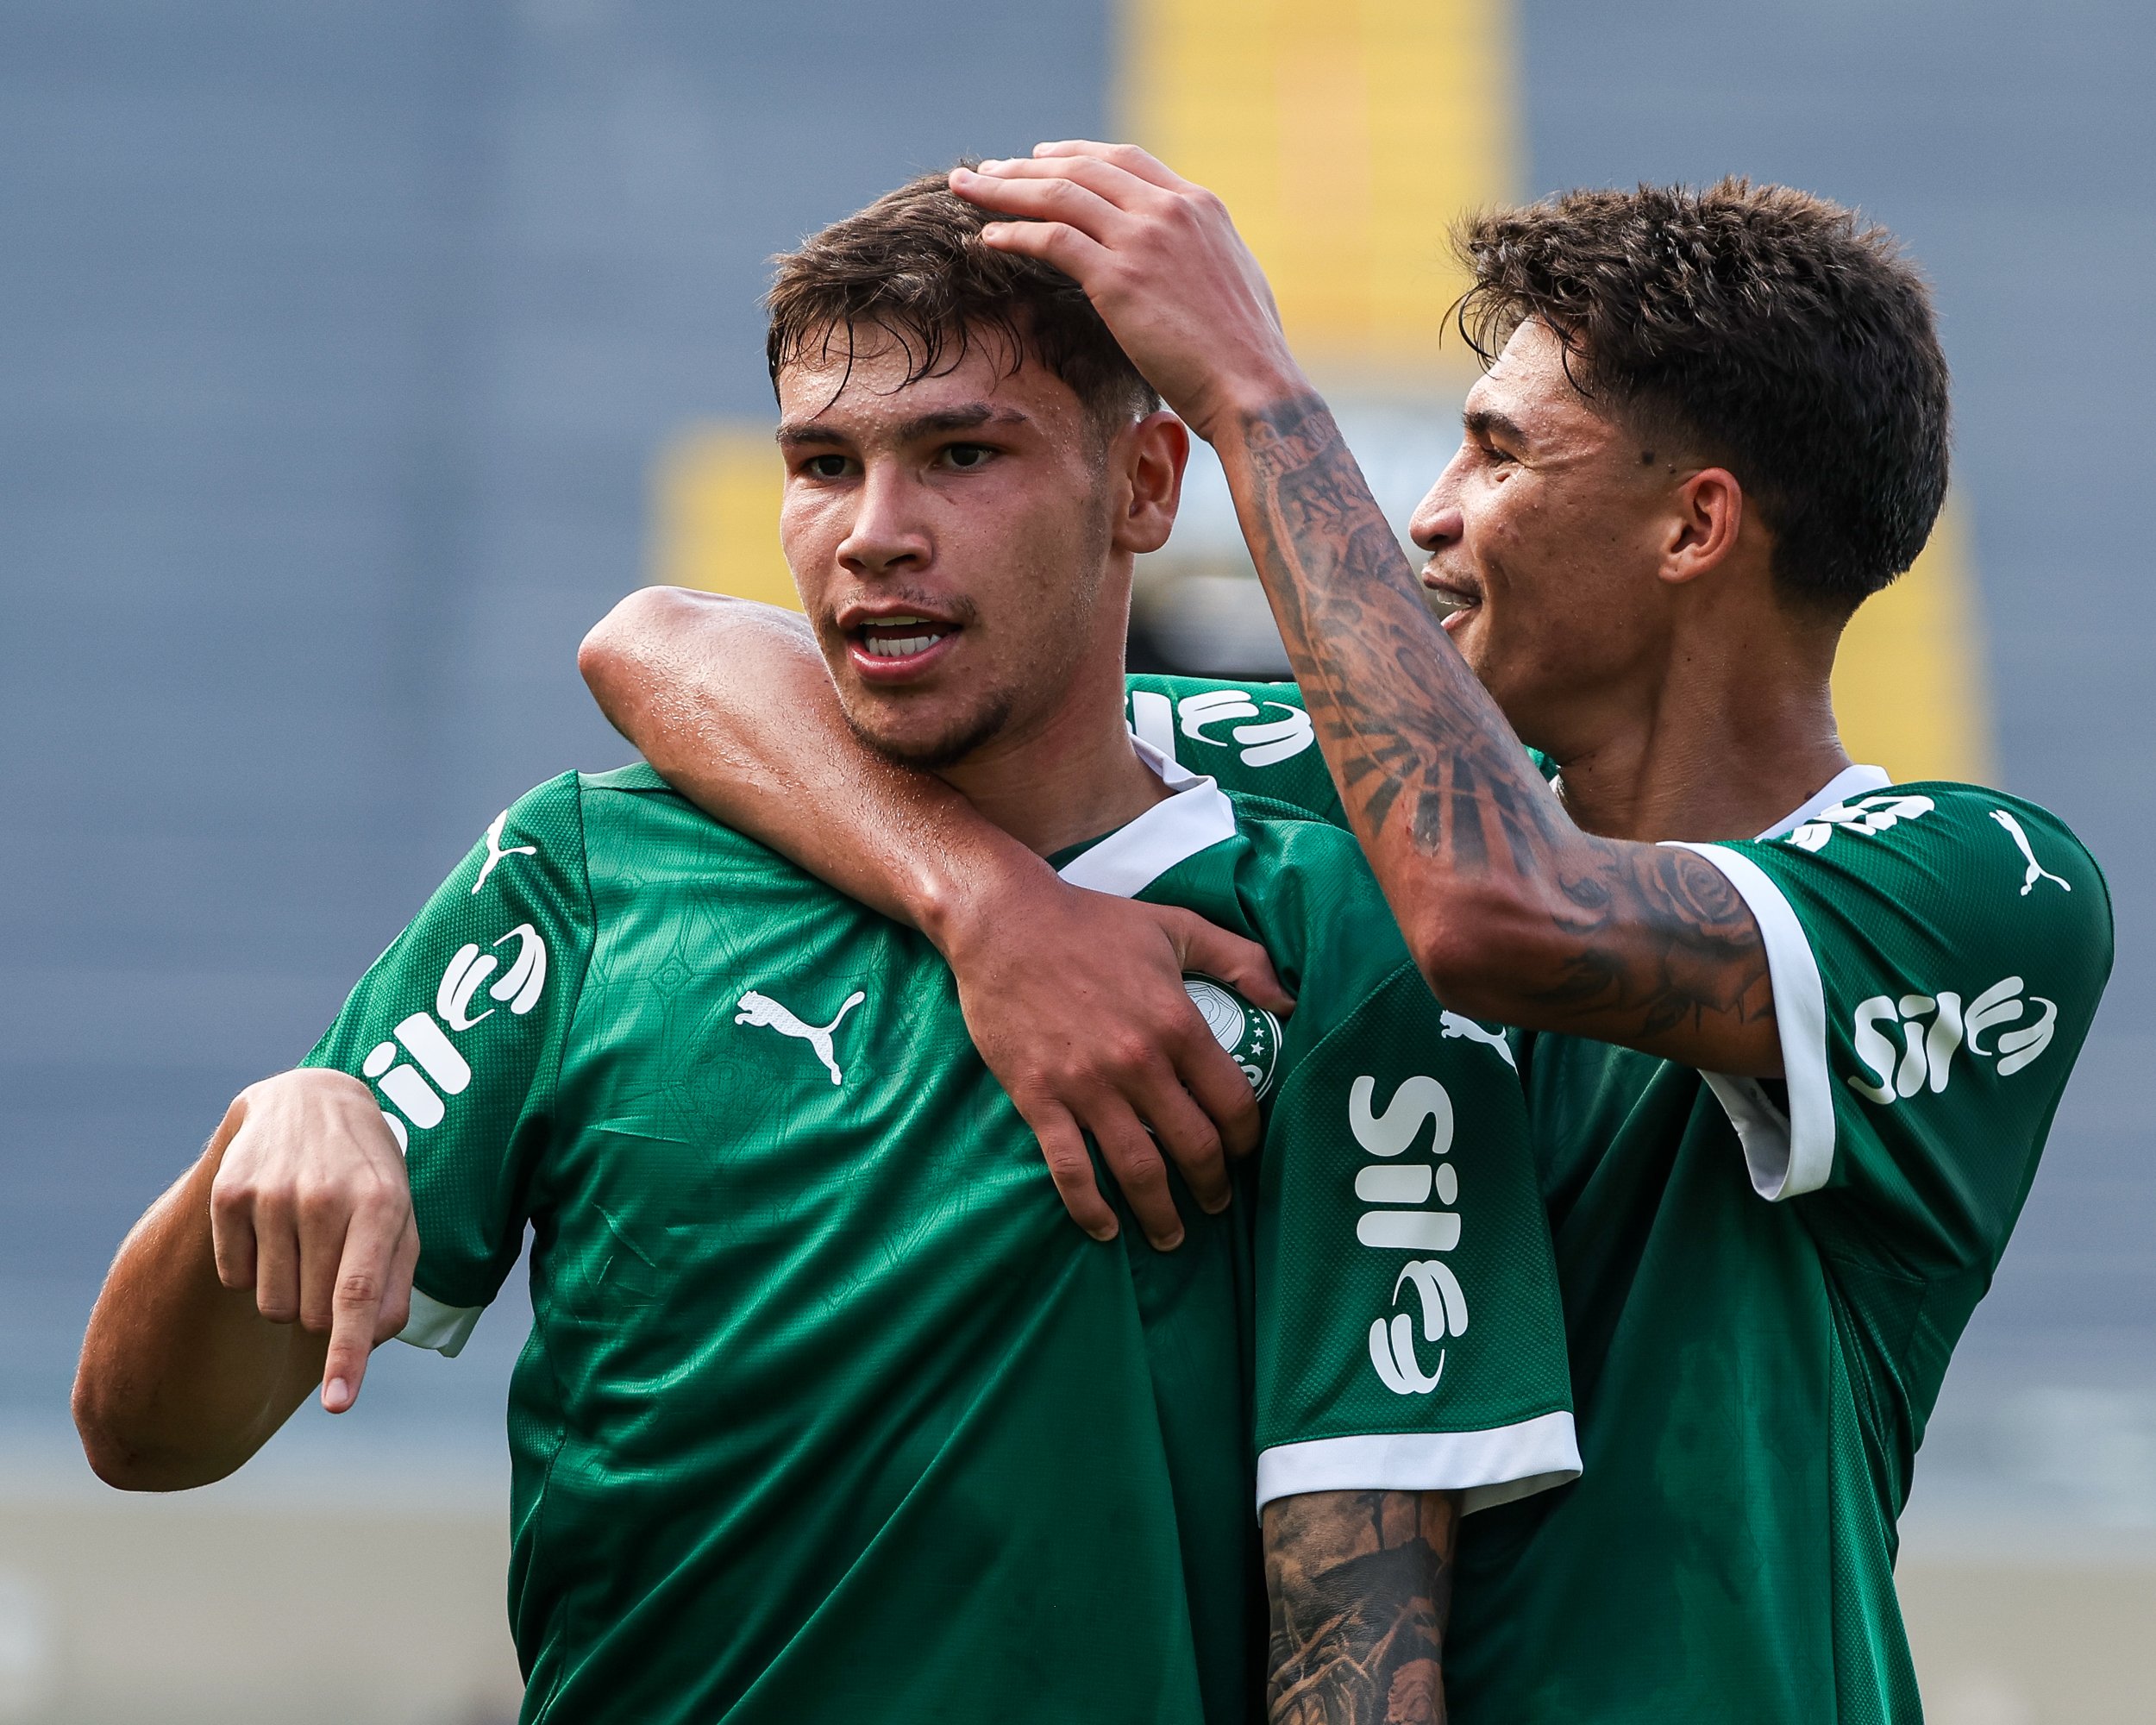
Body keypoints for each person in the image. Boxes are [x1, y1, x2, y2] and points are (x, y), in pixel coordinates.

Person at [583, 156, 2115, 1722]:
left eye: (1498, 455)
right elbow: (666, 649)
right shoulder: (1354, 791)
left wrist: (1257, 399)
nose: (1430, 516)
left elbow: (1498, 913)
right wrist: (985, 900)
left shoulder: (1973, 894)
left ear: (1693, 525)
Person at [72, 173, 1579, 1725]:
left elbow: (1357, 1619)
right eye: (823, 464)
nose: (874, 537)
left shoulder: (1321, 927)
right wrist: (270, 1130)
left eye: (963, 455)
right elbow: (145, 1435)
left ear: (1143, 486)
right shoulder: (588, 876)